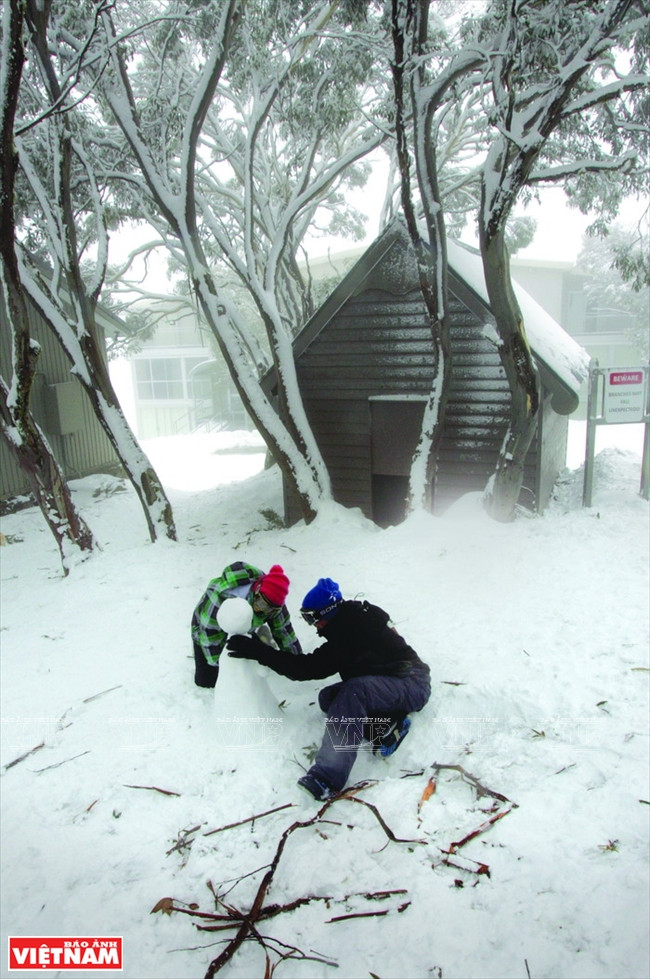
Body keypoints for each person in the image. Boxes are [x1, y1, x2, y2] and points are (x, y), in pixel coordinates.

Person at [227, 576, 431, 800]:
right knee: (329, 698)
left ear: (327, 612)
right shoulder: (349, 622)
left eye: (312, 618)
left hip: (411, 683)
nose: (313, 625)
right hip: (388, 680)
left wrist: (259, 652)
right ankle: (386, 728)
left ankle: (326, 778)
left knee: (354, 692)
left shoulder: (350, 631)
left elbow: (304, 669)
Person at [191, 561, 301, 688]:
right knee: (207, 681)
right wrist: (223, 667)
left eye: (270, 610)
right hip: (207, 628)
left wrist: (296, 662)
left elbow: (284, 631)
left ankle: (262, 639)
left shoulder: (273, 601)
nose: (264, 611)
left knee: (249, 660)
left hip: (247, 627)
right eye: (261, 604)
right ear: (257, 590)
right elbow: (209, 634)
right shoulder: (220, 598)